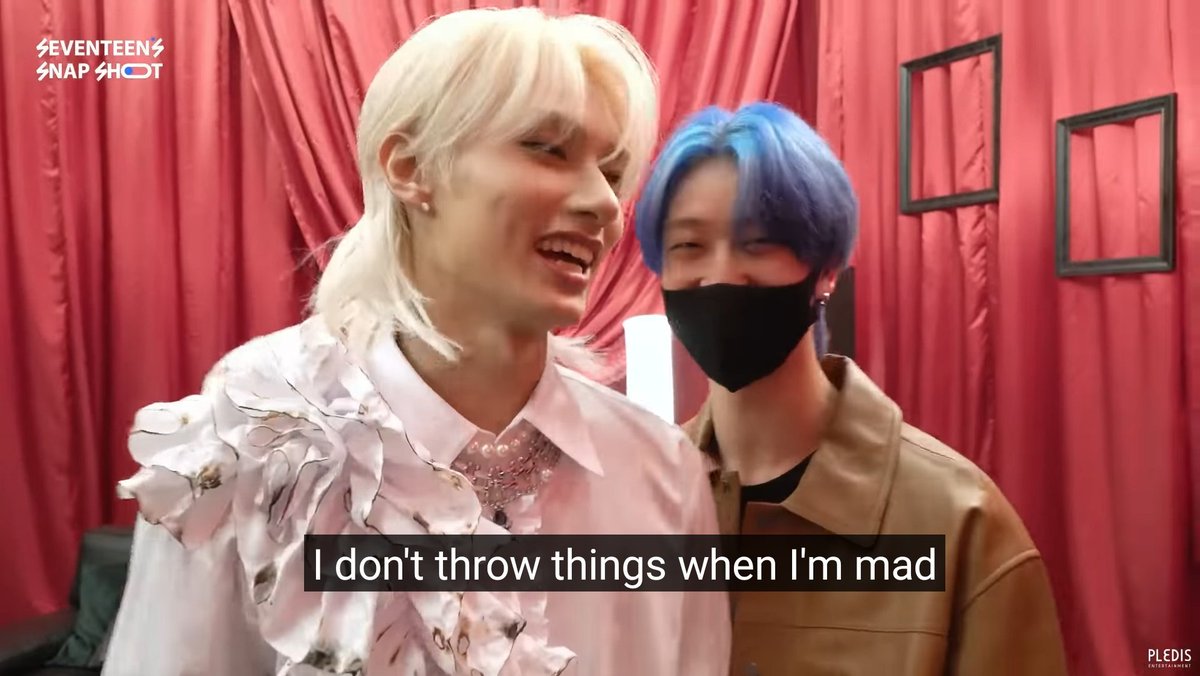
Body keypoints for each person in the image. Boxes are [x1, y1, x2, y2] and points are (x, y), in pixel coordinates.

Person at [102, 8, 730, 675]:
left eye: (611, 172)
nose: (604, 203)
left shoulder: (662, 475)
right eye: (548, 148)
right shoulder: (255, 435)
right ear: (410, 167)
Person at [634, 102, 1068, 675]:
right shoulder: (640, 499)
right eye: (689, 247)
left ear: (826, 270)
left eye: (757, 243)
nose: (720, 275)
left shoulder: (961, 522)